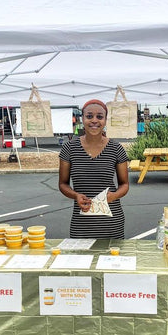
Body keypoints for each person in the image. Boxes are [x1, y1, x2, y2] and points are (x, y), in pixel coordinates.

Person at [59, 99, 129, 239]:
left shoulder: (116, 149)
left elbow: (124, 184)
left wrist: (114, 196)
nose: (94, 120)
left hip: (111, 221)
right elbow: (62, 184)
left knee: (111, 259)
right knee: (81, 260)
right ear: (82, 119)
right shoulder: (69, 148)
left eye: (100, 116)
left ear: (105, 120)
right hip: (82, 222)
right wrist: (75, 195)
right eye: (89, 116)